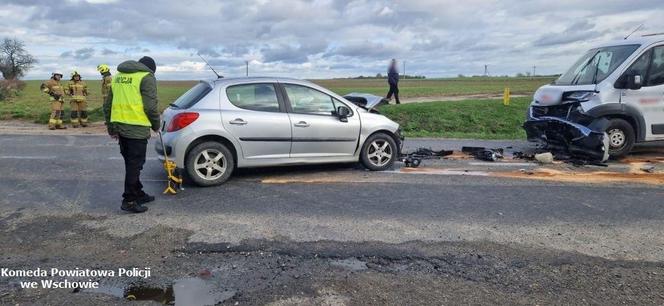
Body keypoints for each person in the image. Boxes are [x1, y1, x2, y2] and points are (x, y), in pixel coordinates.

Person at [103, 56, 160, 213]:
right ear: (151, 69)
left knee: (131, 164)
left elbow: (108, 105)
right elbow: (150, 107)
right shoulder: (146, 77)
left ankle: (138, 192)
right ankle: (129, 200)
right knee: (135, 165)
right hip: (136, 128)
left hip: (120, 128)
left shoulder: (118, 77)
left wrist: (111, 127)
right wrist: (156, 125)